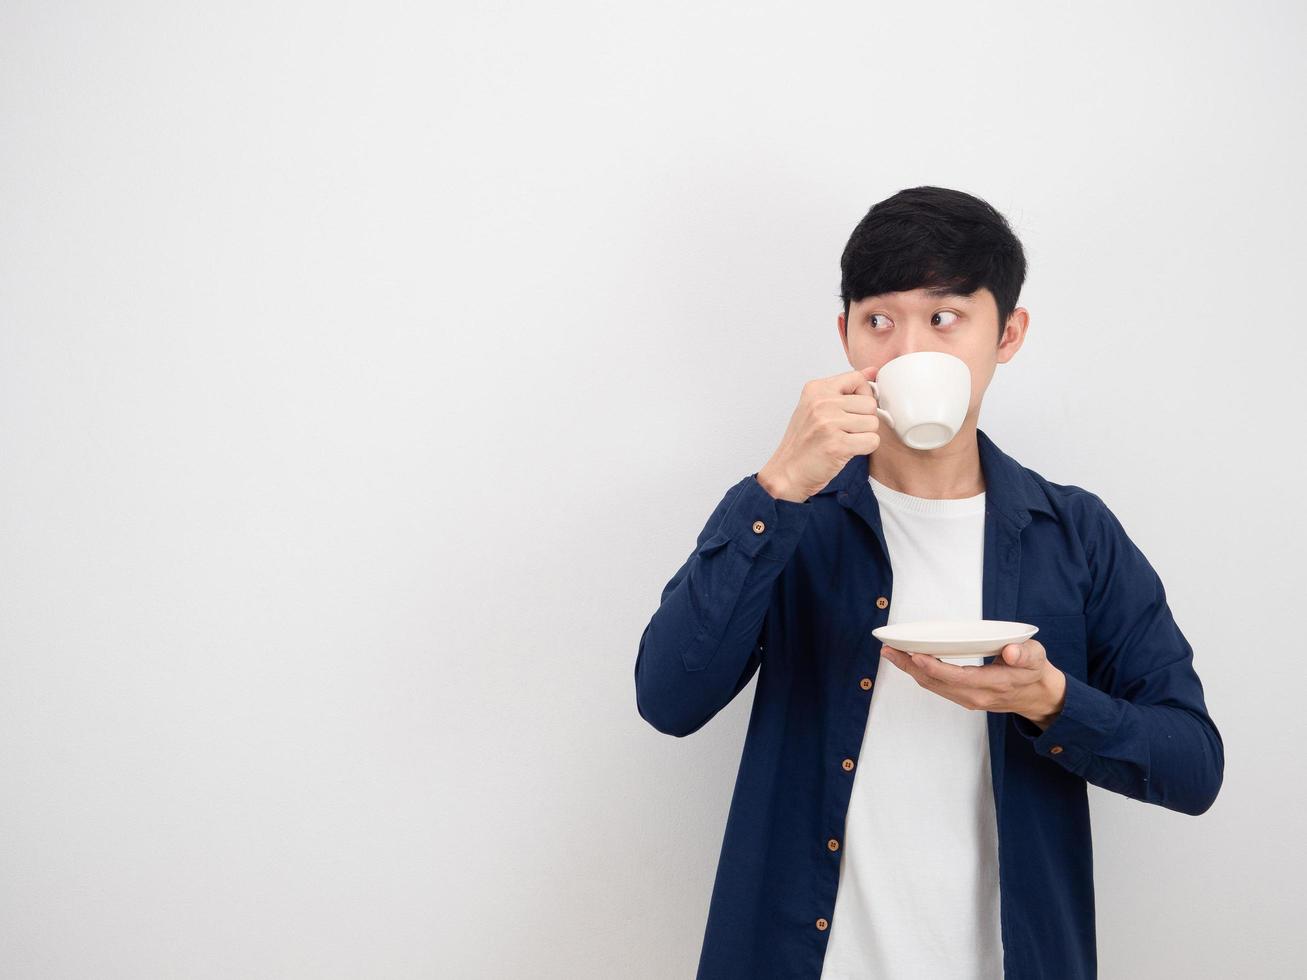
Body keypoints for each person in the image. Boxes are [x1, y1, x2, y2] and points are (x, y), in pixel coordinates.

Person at [633, 186, 1224, 980]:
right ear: (843, 334)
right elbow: (668, 698)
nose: (906, 352)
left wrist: (1051, 702)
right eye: (878, 321)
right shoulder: (788, 515)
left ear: (1006, 333)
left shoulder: (1075, 534)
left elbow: (1192, 766)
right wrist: (776, 488)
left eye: (943, 319)